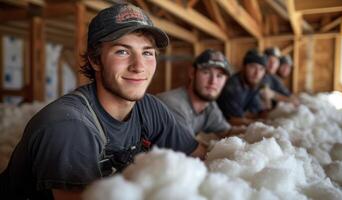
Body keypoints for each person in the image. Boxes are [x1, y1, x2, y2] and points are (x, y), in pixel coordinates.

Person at [0, 3, 206, 200]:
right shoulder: (69, 125)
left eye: (147, 53)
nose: (139, 66)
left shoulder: (149, 108)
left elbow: (200, 155)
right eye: (123, 51)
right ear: (95, 59)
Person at [157, 49, 244, 140]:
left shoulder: (209, 106)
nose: (213, 81)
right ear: (192, 73)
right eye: (206, 72)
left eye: (219, 76)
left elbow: (227, 131)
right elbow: (189, 148)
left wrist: (256, 131)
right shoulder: (172, 103)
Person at [217, 49, 268, 126]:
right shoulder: (233, 86)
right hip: (220, 128)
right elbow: (233, 120)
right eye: (252, 67)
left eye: (261, 69)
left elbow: (257, 112)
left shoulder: (253, 84)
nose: (257, 73)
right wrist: (262, 123)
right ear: (243, 67)